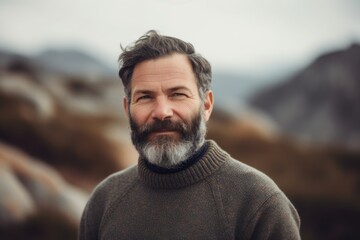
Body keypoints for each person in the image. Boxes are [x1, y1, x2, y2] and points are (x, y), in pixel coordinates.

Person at [78, 30, 301, 240]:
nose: (162, 112)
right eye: (145, 97)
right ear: (127, 108)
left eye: (177, 94)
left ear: (206, 105)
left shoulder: (259, 204)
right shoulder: (104, 201)